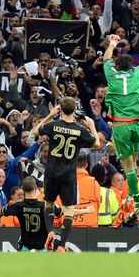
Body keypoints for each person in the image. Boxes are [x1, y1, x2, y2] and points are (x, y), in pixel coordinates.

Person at [33, 98, 100, 252]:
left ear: (61, 109)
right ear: (75, 109)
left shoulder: (53, 125)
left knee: (49, 203)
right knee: (69, 209)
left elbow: (36, 131)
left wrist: (50, 115)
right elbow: (96, 144)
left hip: (51, 171)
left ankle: (50, 230)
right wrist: (91, 126)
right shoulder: (80, 130)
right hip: (68, 174)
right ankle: (62, 245)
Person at [102, 33, 139, 214]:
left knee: (129, 168)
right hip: (138, 125)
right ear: (131, 66)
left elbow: (105, 59)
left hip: (121, 126)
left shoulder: (112, 75)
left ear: (116, 66)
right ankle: (132, 194)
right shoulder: (137, 74)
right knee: (133, 162)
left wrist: (112, 43)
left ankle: (136, 200)